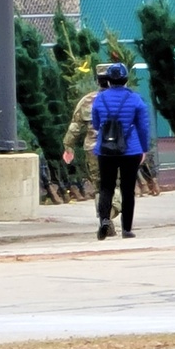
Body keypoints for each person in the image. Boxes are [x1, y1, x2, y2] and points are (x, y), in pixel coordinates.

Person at [90, 63, 149, 240]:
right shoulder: (135, 99)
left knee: (106, 187)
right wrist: (144, 148)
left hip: (106, 149)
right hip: (130, 149)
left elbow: (95, 123)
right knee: (128, 189)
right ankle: (127, 228)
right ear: (125, 79)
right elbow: (143, 127)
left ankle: (105, 220)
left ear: (108, 80)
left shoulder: (100, 99)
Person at [63, 63, 121, 232]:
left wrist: (68, 147)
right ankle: (109, 213)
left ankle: (104, 219)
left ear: (98, 80)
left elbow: (75, 127)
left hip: (93, 150)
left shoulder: (87, 101)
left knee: (100, 186)